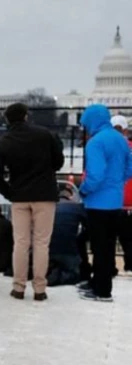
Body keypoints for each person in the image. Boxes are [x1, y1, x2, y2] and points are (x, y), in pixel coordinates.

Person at [0, 102, 64, 301]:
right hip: (45, 195)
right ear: (26, 116)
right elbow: (58, 162)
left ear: (7, 119)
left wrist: (9, 192)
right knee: (41, 243)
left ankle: (19, 286)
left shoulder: (5, 140)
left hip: (19, 196)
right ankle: (40, 289)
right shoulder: (45, 134)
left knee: (21, 243)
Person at [77, 104, 132, 302]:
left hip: (97, 202)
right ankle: (101, 284)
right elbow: (129, 168)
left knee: (99, 247)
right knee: (108, 247)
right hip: (115, 201)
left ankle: (101, 289)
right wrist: (116, 183)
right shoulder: (121, 140)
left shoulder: (95, 142)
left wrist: (83, 190)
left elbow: (95, 175)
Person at [46, 188, 85, 286]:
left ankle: (54, 272)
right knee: (75, 275)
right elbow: (89, 226)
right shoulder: (77, 207)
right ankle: (61, 275)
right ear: (70, 197)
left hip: (47, 250)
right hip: (69, 251)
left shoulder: (48, 207)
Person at [111, 115, 132, 276]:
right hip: (128, 202)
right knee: (129, 239)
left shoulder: (103, 146)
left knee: (106, 239)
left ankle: (109, 268)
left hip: (109, 202)